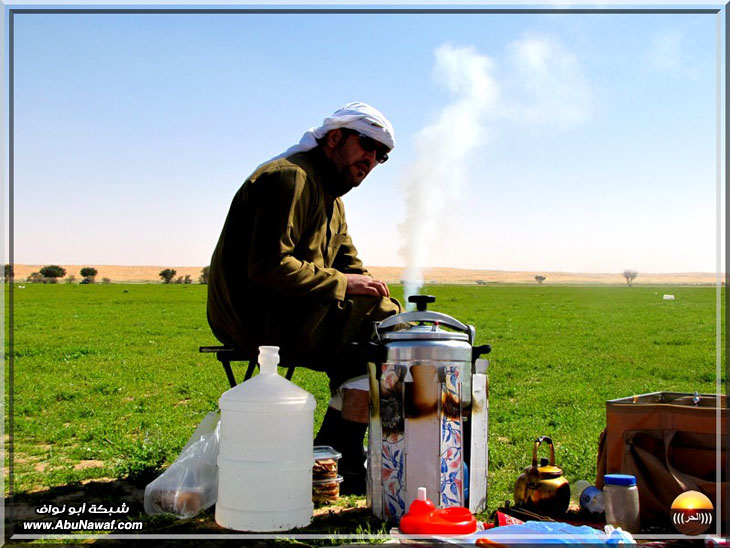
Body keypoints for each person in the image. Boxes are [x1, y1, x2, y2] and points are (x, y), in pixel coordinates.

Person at [207, 102, 402, 494]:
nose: (372, 159)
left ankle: (332, 452)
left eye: (382, 155)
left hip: (292, 312)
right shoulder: (289, 178)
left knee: (389, 328)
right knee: (383, 326)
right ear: (335, 137)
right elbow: (268, 267)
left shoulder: (333, 200)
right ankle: (340, 450)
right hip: (253, 316)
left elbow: (352, 267)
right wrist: (346, 287)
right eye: (367, 144)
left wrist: (370, 291)